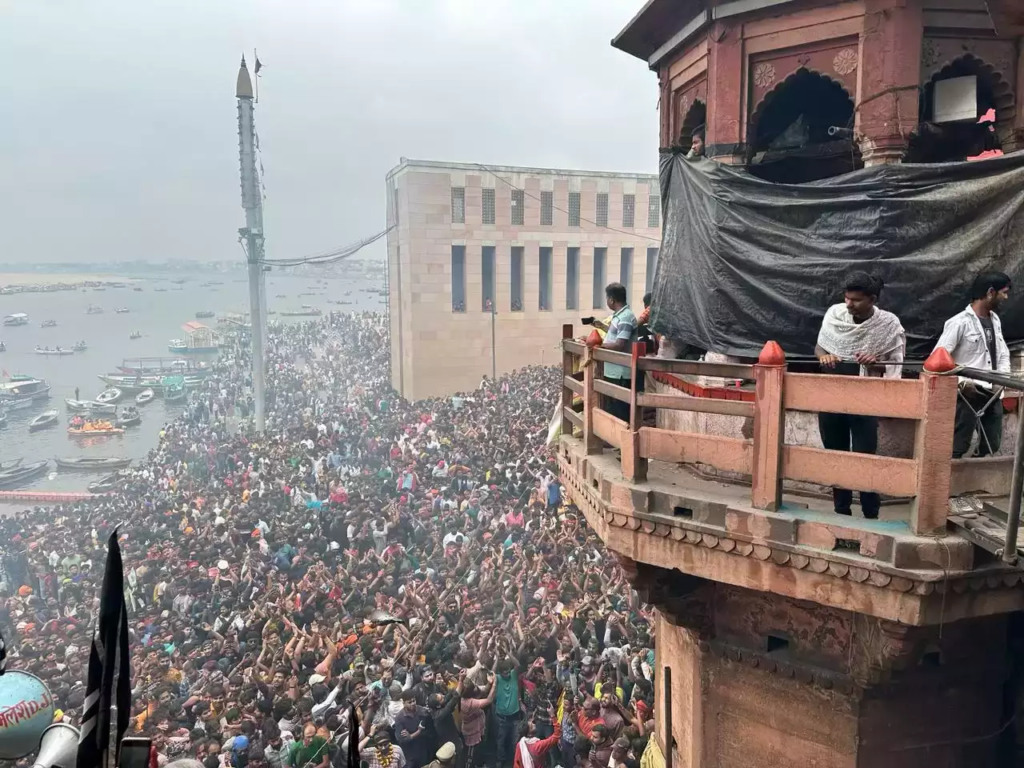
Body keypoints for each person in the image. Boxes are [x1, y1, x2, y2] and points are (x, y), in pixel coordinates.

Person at [815, 273, 905, 519]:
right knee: (836, 455)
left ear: (872, 300)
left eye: (855, 300)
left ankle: (870, 513)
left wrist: (875, 362)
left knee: (866, 456)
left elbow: (895, 363)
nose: (849, 304)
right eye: (846, 298)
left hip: (865, 400)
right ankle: (841, 511)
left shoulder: (888, 324)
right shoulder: (834, 314)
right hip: (831, 396)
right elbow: (820, 346)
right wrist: (824, 356)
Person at [935, 271, 1012, 458]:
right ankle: (950, 475)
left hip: (992, 392)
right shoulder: (958, 323)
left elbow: (1002, 354)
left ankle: (979, 475)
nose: (1006, 297)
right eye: (1004, 292)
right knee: (957, 445)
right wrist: (961, 383)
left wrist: (1001, 381)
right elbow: (937, 361)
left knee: (991, 444)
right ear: (990, 292)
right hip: (966, 393)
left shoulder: (995, 320)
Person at [590, 283, 637, 423]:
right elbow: (617, 335)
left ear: (611, 299)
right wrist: (601, 326)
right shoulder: (619, 316)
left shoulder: (625, 317)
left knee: (619, 412)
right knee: (611, 409)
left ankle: (620, 436)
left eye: (607, 298)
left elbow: (619, 344)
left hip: (620, 373)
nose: (607, 301)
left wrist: (599, 345)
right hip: (613, 371)